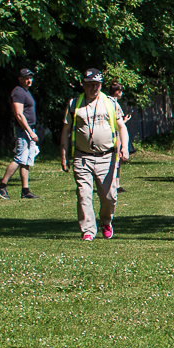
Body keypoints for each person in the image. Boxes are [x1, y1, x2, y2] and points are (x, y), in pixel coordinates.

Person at [59, 69, 127, 240]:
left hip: (107, 157)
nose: (93, 88)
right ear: (83, 84)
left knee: (109, 197)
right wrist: (63, 154)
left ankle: (106, 221)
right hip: (82, 157)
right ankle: (88, 230)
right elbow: (66, 129)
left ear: (101, 85)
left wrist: (124, 147)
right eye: (89, 84)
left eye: (96, 85)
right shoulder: (75, 103)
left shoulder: (110, 102)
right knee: (84, 194)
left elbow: (121, 127)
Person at [0, 68, 43, 200]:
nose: (29, 80)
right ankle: (2, 186)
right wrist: (29, 131)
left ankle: (25, 190)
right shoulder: (18, 92)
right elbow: (19, 114)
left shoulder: (26, 92)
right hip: (23, 130)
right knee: (20, 157)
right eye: (26, 78)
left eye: (30, 77)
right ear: (19, 78)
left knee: (26, 160)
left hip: (28, 129)